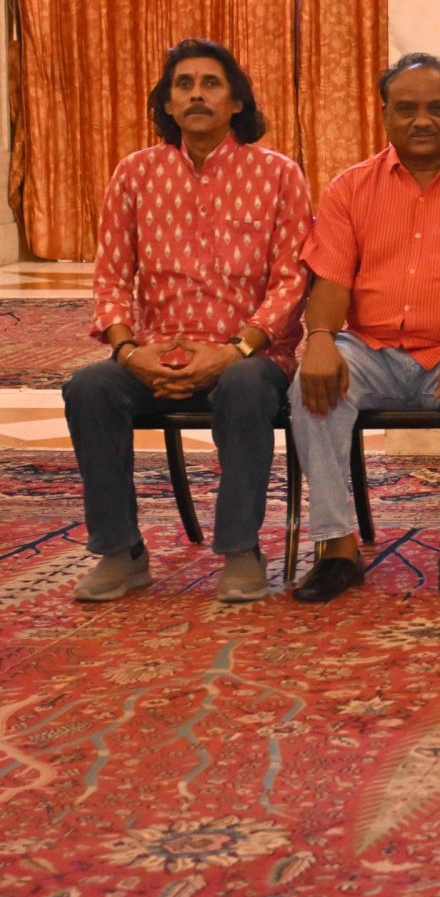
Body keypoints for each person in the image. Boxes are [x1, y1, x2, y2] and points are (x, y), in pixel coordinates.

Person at [68, 41, 310, 604]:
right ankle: (121, 552)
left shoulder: (278, 174)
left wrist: (234, 350)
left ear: (236, 103)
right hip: (152, 354)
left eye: (211, 83)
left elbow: (292, 281)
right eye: (183, 84)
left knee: (245, 385)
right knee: (89, 387)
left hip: (250, 356)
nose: (196, 93)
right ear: (168, 105)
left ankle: (241, 549)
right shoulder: (134, 174)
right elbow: (109, 278)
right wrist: (129, 353)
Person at [291, 54, 440, 604]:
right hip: (370, 347)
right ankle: (337, 547)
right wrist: (321, 340)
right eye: (406, 109)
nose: (421, 120)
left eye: (435, 108)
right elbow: (330, 281)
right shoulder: (349, 188)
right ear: (384, 115)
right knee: (311, 387)